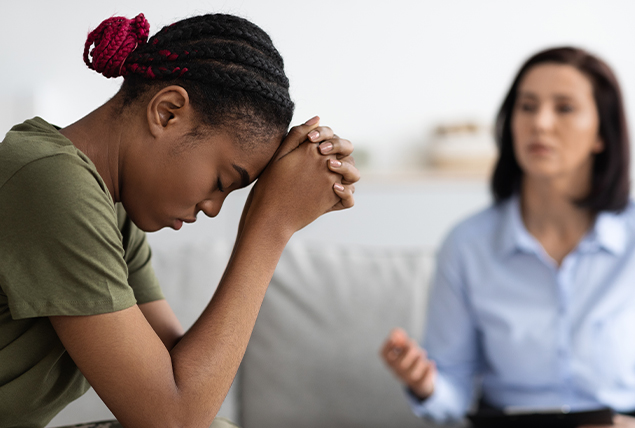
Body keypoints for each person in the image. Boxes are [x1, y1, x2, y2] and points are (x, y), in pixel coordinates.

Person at [0, 13, 359, 428]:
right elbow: (174, 418)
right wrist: (270, 226)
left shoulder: (111, 209)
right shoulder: (49, 180)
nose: (212, 208)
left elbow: (179, 376)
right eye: (222, 181)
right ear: (168, 112)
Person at [381, 46, 635, 428]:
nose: (540, 123)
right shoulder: (467, 245)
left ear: (602, 134)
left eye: (564, 108)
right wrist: (426, 384)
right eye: (527, 106)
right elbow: (453, 395)